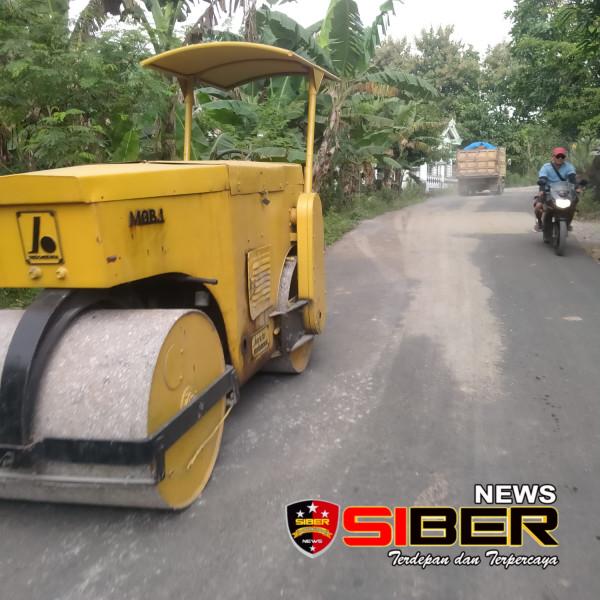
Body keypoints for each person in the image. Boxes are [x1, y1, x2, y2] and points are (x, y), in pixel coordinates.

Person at [533, 147, 577, 232]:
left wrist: (577, 187)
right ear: (553, 157)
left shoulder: (569, 167)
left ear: (565, 158)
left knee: (573, 206)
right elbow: (543, 179)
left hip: (565, 193)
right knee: (538, 206)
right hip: (548, 192)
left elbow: (572, 179)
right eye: (558, 156)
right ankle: (539, 222)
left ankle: (568, 223)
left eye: (562, 156)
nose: (560, 158)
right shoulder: (546, 167)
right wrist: (542, 190)